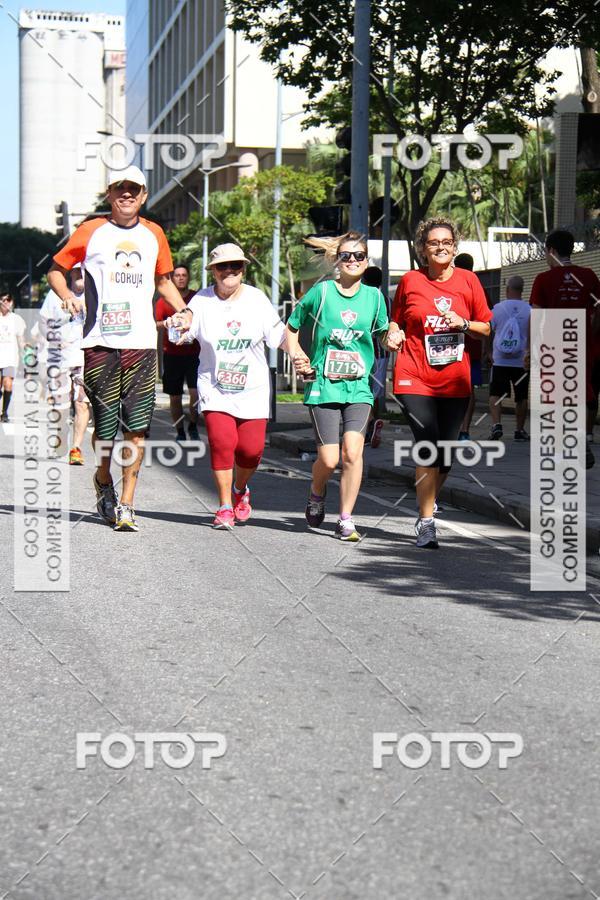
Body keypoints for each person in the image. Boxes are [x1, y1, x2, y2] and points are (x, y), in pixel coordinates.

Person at [47, 165, 188, 531]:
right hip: (100, 342)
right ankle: (103, 478)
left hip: (141, 344)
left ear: (143, 195)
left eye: (134, 189)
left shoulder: (154, 233)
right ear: (109, 194)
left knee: (137, 429)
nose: (126, 194)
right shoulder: (91, 231)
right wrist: (66, 296)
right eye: (119, 188)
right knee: (106, 429)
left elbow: (162, 280)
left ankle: (127, 504)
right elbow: (56, 269)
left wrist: (183, 309)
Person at [285, 231, 401, 542]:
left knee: (353, 453)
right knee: (329, 459)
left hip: (359, 387)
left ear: (367, 261)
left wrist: (391, 333)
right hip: (324, 385)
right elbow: (291, 327)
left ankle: (346, 519)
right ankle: (316, 489)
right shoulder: (321, 293)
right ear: (338, 260)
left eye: (358, 256)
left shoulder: (375, 298)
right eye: (346, 255)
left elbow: (380, 333)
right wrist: (297, 353)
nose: (352, 260)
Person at [390, 217, 492, 549]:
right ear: (423, 249)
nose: (440, 247)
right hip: (414, 374)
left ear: (454, 246)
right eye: (433, 243)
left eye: (446, 242)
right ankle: (426, 522)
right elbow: (397, 319)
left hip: (453, 379)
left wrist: (464, 322)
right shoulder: (410, 280)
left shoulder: (469, 281)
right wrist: (394, 332)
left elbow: (486, 327)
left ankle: (428, 497)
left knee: (445, 454)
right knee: (427, 443)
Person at [170, 243, 287, 529]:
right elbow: (180, 334)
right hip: (215, 387)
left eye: (236, 265)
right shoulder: (201, 301)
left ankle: (239, 490)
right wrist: (178, 326)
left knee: (251, 450)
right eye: (223, 266)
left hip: (254, 389)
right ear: (213, 271)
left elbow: (278, 335)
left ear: (244, 269)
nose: (230, 271)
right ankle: (224, 505)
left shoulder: (258, 300)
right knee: (222, 444)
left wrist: (296, 353)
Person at [530, 229, 600, 469]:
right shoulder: (589, 275)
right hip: (581, 344)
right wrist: (590, 331)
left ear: (551, 251)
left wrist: (533, 349)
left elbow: (537, 318)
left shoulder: (543, 279)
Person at [39, 269, 91, 464]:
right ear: (70, 274)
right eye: (77, 272)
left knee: (81, 403)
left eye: (84, 272)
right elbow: (43, 322)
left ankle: (76, 448)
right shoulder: (54, 295)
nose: (80, 275)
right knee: (60, 404)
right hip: (60, 358)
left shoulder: (95, 294)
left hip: (85, 357)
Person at [155, 262, 200, 442]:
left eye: (184, 275)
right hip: (172, 353)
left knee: (196, 393)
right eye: (177, 275)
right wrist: (167, 323)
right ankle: (180, 431)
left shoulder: (196, 299)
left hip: (194, 353)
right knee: (175, 396)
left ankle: (194, 425)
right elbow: (156, 323)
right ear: (172, 279)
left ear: (188, 278)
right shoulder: (163, 301)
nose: (181, 278)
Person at [486, 275, 531, 441]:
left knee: (496, 393)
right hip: (521, 362)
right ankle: (519, 431)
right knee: (522, 396)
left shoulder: (498, 308)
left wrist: (488, 351)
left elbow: (487, 330)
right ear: (522, 289)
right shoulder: (529, 310)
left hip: (500, 360)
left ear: (507, 289)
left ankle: (496, 425)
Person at [453, 252, 488, 440]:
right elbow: (489, 325)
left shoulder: (459, 286)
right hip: (472, 349)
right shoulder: (479, 288)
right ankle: (464, 430)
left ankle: (456, 429)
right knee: (469, 390)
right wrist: (487, 349)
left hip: (455, 349)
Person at [361, 265, 390, 449]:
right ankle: (374, 421)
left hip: (363, 352)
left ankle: (368, 424)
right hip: (383, 353)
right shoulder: (388, 301)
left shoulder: (361, 299)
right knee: (376, 392)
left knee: (362, 389)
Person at [0, 294, 26, 422]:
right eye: (3, 300)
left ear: (12, 302)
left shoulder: (17, 319)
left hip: (10, 358)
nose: (6, 302)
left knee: (8, 384)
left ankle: (4, 413)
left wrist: (25, 352)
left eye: (8, 300)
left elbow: (21, 340)